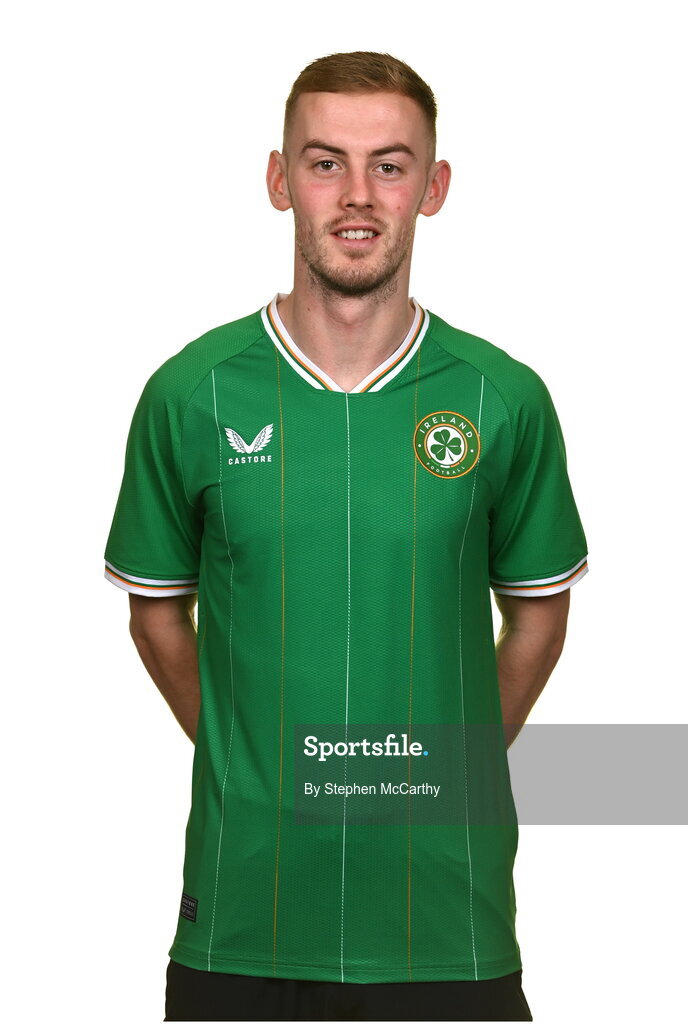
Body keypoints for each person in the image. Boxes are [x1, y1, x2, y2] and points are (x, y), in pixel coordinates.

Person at [104, 51, 588, 1022]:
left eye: (389, 165)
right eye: (325, 162)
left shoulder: (501, 397)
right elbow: (156, 613)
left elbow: (537, 615)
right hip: (244, 917)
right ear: (279, 179)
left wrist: (441, 765)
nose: (357, 194)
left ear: (432, 187)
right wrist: (255, 759)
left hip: (445, 927)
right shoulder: (192, 393)